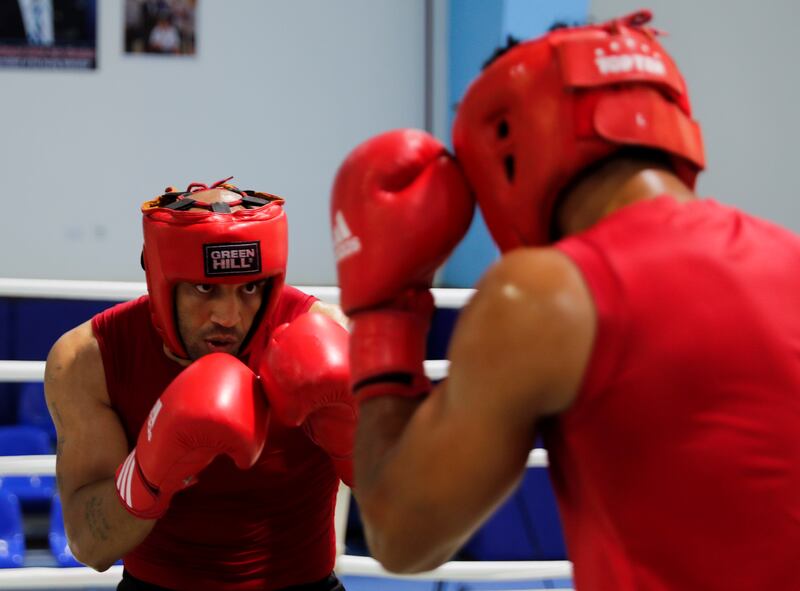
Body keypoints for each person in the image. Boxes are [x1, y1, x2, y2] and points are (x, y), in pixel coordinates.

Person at [330, 10, 800, 590]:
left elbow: (401, 536)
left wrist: (384, 312)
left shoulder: (545, 296)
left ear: (503, 143)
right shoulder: (792, 257)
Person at [45, 178, 355, 591]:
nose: (229, 316)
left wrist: (356, 442)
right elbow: (89, 546)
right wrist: (149, 473)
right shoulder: (90, 359)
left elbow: (410, 523)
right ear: (158, 280)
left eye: (250, 288)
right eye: (204, 288)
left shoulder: (332, 337)